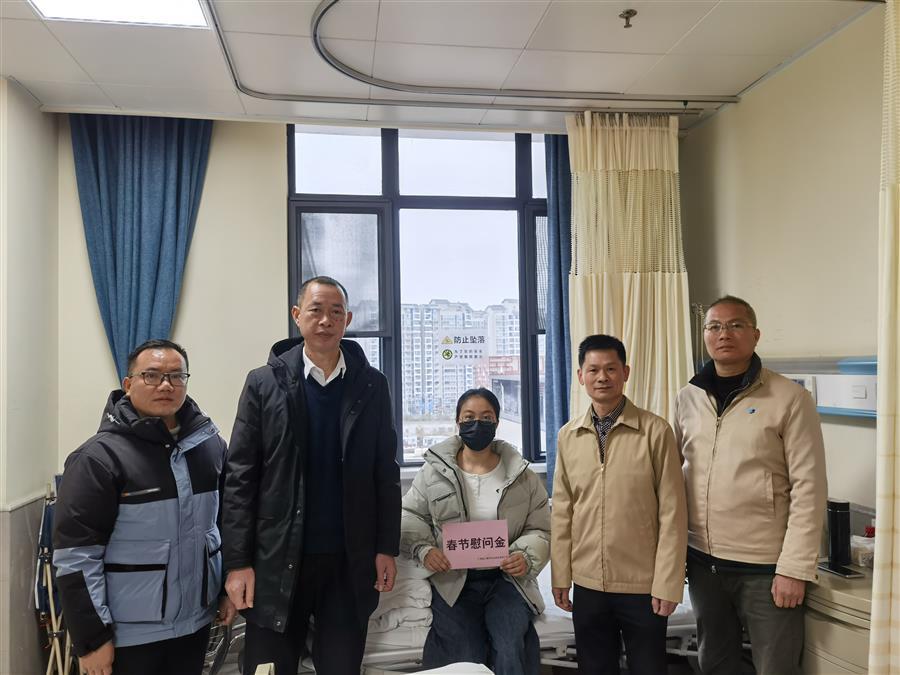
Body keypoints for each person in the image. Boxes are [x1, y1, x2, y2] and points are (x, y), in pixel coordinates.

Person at [222, 275, 401, 675]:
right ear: (296, 315)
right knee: (270, 668)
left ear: (347, 320)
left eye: (336, 312)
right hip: (275, 559)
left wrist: (386, 547)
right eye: (316, 310)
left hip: (348, 561)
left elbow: (385, 474)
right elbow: (239, 478)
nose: (325, 320)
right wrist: (237, 562)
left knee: (341, 666)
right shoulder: (263, 383)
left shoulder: (372, 385)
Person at [53, 339, 235, 675]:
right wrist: (92, 639)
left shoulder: (209, 446)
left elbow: (225, 524)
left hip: (195, 624)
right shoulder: (98, 459)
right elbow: (76, 556)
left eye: (176, 376)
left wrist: (225, 589)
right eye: (151, 376)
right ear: (128, 384)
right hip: (127, 636)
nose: (166, 385)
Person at [674, 295, 827, 674]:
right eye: (714, 326)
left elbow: (809, 488)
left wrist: (794, 568)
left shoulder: (789, 398)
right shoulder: (688, 398)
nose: (723, 334)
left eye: (735, 325)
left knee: (776, 666)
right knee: (715, 663)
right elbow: (674, 476)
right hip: (704, 564)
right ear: (704, 335)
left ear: (755, 335)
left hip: (765, 568)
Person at [551, 334, 687, 675]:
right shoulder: (569, 435)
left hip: (642, 584)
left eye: (611, 369)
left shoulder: (655, 432)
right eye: (593, 369)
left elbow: (673, 513)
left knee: (649, 668)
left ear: (625, 372)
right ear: (580, 376)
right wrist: (561, 574)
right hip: (588, 585)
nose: (602, 377)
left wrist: (668, 582)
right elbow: (563, 511)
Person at [400, 388, 550, 674]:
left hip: (507, 579)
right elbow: (409, 514)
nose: (477, 424)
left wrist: (525, 556)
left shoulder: (521, 475)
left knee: (509, 643)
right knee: (465, 652)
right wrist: (424, 549)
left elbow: (540, 527)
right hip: (453, 579)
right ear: (457, 421)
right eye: (469, 417)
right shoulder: (435, 472)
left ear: (497, 422)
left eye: (486, 417)